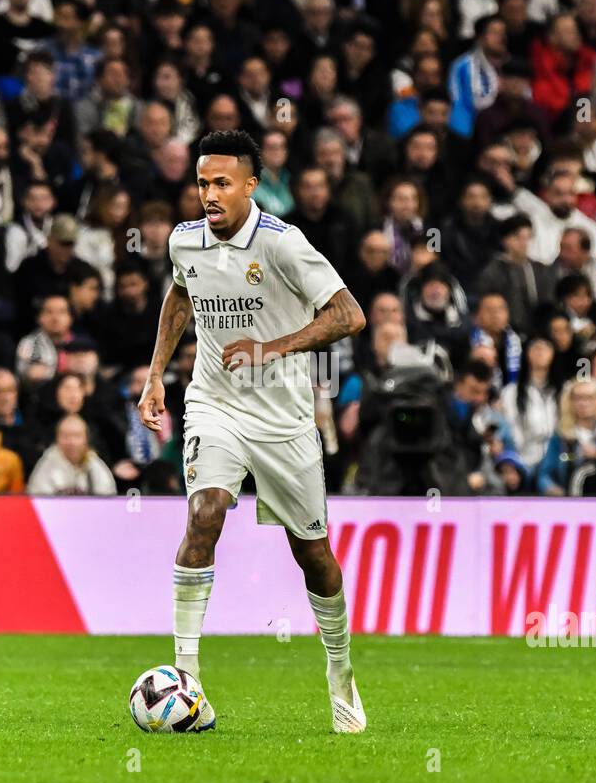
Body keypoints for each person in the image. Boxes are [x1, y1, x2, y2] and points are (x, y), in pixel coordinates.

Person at [137, 129, 368, 734]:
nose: (208, 194)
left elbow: (349, 315)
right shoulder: (184, 241)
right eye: (201, 183)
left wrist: (271, 347)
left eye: (220, 183)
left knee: (312, 554)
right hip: (213, 404)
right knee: (206, 511)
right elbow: (181, 298)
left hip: (285, 420)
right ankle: (187, 681)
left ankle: (340, 672)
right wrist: (156, 374)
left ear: (249, 185)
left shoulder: (284, 244)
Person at [27, 414, 118, 496]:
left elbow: (108, 498)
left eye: (77, 436)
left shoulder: (94, 464)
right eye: (65, 436)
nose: (71, 442)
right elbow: (37, 501)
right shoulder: (47, 463)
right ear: (57, 440)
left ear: (86, 439)